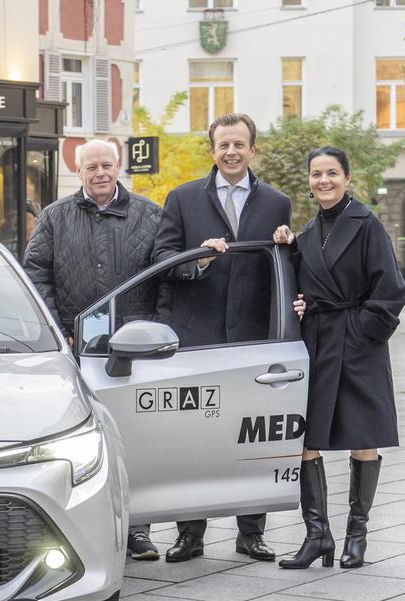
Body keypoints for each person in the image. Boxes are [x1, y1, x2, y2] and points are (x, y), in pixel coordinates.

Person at [152, 113, 292, 563]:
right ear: (211, 151)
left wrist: (289, 244)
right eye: (223, 145)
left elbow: (285, 265)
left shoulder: (277, 202)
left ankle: (250, 534)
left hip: (254, 338)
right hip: (197, 338)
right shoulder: (182, 198)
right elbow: (163, 258)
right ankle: (189, 534)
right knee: (191, 438)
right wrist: (199, 263)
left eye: (240, 145)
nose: (231, 152)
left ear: (253, 149)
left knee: (251, 437)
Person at [24, 139, 164, 561]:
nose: (100, 173)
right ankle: (85, 525)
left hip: (135, 348)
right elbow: (35, 276)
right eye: (91, 167)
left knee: (136, 437)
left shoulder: (149, 214)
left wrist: (155, 328)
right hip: (76, 348)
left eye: (106, 165)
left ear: (118, 166)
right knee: (82, 439)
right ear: (79, 171)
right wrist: (55, 330)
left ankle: (137, 528)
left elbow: (165, 275)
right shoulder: (54, 217)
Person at [273, 147, 405, 569]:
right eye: (316, 174)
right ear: (309, 181)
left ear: (347, 177)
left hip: (358, 345)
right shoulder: (309, 232)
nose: (324, 181)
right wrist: (287, 247)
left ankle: (357, 536)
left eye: (332, 173)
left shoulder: (366, 225)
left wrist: (360, 332)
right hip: (318, 345)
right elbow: (305, 281)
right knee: (307, 440)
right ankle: (317, 536)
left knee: (363, 438)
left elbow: (391, 291)